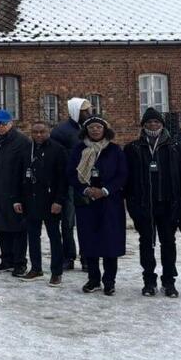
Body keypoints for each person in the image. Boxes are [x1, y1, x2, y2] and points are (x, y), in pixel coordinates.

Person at [124, 107, 181, 297]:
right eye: (149, 122)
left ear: (162, 124)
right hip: (144, 204)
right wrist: (133, 205)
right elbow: (127, 179)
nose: (153, 125)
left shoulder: (175, 147)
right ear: (143, 125)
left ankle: (169, 281)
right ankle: (149, 280)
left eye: (156, 122)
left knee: (168, 243)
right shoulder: (133, 148)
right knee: (146, 243)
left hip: (168, 204)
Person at [67, 116, 128, 295]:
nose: (95, 130)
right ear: (86, 130)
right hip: (87, 202)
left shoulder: (114, 150)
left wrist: (106, 190)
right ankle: (93, 279)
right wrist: (85, 189)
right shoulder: (79, 150)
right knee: (90, 241)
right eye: (91, 127)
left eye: (98, 127)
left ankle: (109, 281)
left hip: (110, 202)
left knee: (110, 243)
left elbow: (122, 174)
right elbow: (70, 173)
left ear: (104, 130)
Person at [18, 122, 68, 285]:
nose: (38, 135)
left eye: (42, 132)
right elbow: (19, 176)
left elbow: (63, 178)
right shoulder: (26, 150)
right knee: (32, 236)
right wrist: (18, 199)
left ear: (48, 132)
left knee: (54, 237)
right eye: (35, 132)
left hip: (51, 201)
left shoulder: (57, 150)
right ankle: (36, 268)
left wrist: (59, 200)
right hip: (30, 200)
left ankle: (56, 271)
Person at [0, 110, 30, 277]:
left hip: (15, 191)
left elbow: (25, 168)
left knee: (17, 228)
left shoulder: (21, 141)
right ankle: (7, 259)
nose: (1, 127)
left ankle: (20, 262)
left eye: (4, 123)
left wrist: (21, 193)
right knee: (0, 226)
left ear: (11, 123)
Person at [51, 97, 90, 271]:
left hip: (87, 182)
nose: (88, 114)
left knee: (86, 221)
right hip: (69, 182)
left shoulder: (91, 128)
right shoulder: (61, 131)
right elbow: (57, 157)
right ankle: (69, 255)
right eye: (84, 111)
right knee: (67, 222)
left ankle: (87, 256)